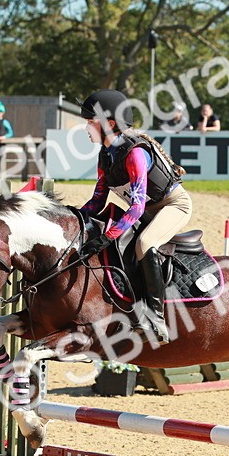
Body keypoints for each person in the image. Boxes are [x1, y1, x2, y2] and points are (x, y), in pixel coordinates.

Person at [76, 89, 191, 344]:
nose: (86, 128)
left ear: (109, 124)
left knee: (144, 243)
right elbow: (97, 202)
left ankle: (156, 318)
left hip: (173, 206)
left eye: (90, 121)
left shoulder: (134, 154)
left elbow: (136, 208)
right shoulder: (106, 155)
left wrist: (107, 236)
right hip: (147, 210)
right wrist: (75, 218)